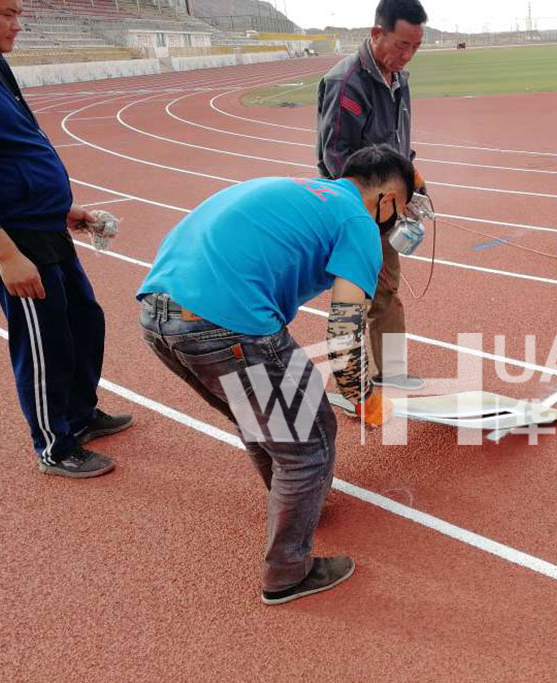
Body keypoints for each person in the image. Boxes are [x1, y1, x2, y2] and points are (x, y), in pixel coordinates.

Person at [137, 144, 414, 606]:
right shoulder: (358, 223)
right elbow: (345, 332)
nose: (396, 222)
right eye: (400, 209)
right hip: (225, 323)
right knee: (310, 442)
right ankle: (288, 571)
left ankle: (297, 503)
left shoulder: (303, 192)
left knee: (260, 421)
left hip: (158, 317)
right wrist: (364, 398)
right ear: (385, 198)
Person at [0, 0, 133, 478]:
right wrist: (5, 254)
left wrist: (63, 209)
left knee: (84, 320)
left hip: (41, 224)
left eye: (19, 13)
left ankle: (80, 416)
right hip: (12, 238)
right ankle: (54, 444)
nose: (18, 25)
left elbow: (13, 152)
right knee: (44, 339)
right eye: (6, 13)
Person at [317, 0, 429, 391]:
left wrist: (411, 181)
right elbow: (336, 158)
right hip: (357, 209)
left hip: (388, 206)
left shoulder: (399, 79)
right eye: (401, 45)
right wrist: (373, 208)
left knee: (386, 291)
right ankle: (356, 384)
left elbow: (397, 145)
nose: (408, 54)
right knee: (360, 297)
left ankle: (388, 374)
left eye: (415, 46)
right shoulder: (346, 82)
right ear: (376, 33)